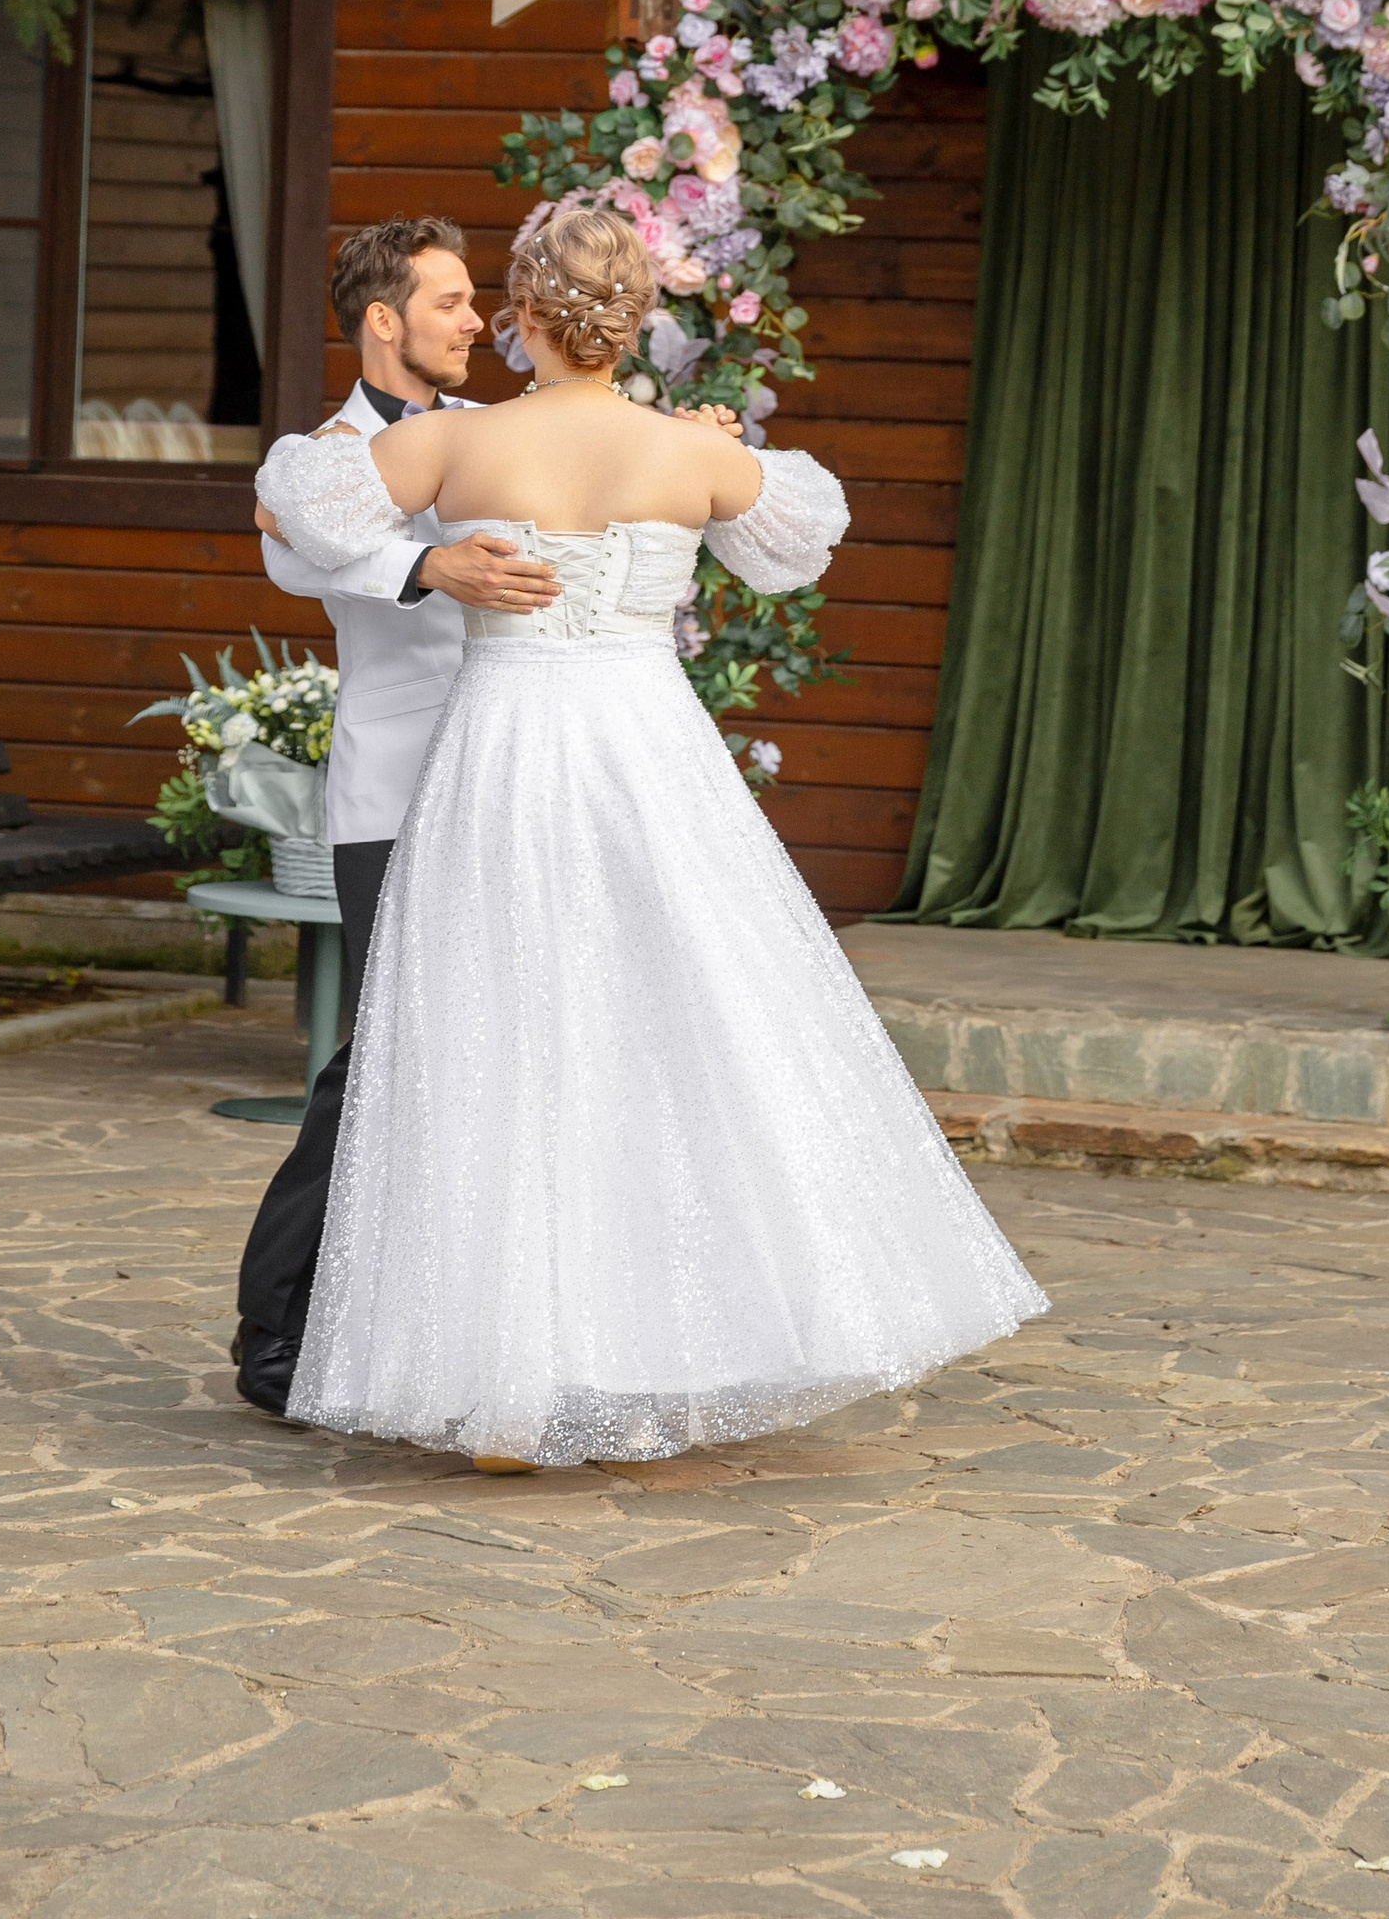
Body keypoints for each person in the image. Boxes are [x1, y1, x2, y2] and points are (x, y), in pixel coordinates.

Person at [250, 194, 1046, 1470]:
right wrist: (693, 449)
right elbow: (796, 540)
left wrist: (433, 551)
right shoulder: (693, 455)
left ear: (523, 314)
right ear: (632, 321)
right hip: (646, 759)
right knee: (665, 1035)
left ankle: (504, 1392)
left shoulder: (459, 443)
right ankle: (657, 1358)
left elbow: (293, 502)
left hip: (503, 758)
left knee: (495, 1052)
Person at [227, 215, 560, 1421]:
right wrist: (425, 567)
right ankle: (276, 1326)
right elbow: (291, 553)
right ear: (383, 320)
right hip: (396, 799)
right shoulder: (313, 459)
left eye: (476, 301)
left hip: (512, 784)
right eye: (451, 302)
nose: (478, 321)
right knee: (380, 1060)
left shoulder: (493, 431)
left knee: (501, 1055)